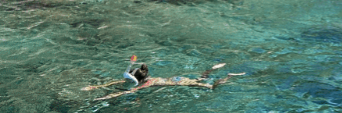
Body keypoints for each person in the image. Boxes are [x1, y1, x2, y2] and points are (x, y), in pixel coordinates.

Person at [82, 57, 245, 101]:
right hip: (174, 79)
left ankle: (227, 77)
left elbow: (126, 92)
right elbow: (118, 83)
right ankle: (212, 69)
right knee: (201, 79)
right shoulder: (144, 80)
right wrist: (95, 87)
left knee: (210, 87)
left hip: (176, 82)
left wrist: (105, 96)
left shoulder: (147, 84)